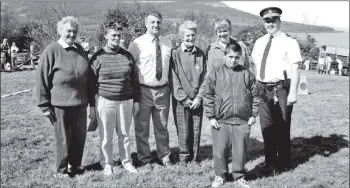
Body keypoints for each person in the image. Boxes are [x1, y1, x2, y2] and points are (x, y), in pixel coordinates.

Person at [36, 16, 95, 178]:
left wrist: (91, 103)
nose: (72, 34)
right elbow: (42, 79)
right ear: (61, 31)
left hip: (80, 103)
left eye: (74, 32)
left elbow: (87, 77)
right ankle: (61, 170)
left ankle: (75, 166)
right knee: (63, 139)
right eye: (68, 31)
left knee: (79, 137)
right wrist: (44, 105)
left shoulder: (80, 49)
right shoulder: (51, 50)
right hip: (60, 105)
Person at [251, 7, 302, 176]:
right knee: (266, 127)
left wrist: (293, 91)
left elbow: (296, 68)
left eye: (273, 20)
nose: (270, 23)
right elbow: (254, 66)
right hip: (263, 88)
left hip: (281, 89)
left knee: (282, 125)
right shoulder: (259, 42)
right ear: (263, 22)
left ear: (279, 21)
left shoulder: (289, 42)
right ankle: (270, 161)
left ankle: (284, 162)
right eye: (267, 20)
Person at [204, 42, 259, 188]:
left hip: (242, 120)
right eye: (230, 57)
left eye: (236, 57)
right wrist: (211, 116)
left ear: (240, 57)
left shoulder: (246, 74)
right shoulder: (216, 72)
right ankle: (220, 176)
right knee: (220, 150)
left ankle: (239, 176)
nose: (233, 60)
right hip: (221, 120)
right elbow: (208, 94)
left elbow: (256, 94)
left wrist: (253, 114)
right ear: (224, 56)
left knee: (240, 151)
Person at [89, 21, 140, 175]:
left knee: (124, 134)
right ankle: (107, 163)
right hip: (106, 100)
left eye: (119, 35)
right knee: (106, 136)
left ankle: (126, 161)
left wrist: (136, 101)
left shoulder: (127, 56)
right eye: (113, 35)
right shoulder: (97, 57)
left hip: (126, 100)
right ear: (106, 36)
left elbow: (135, 80)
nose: (116, 38)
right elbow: (91, 83)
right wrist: (92, 104)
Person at [128, 11, 173, 170]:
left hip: (163, 91)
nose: (156, 25)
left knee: (162, 126)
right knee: (142, 128)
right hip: (143, 90)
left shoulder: (168, 42)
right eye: (152, 22)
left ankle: (164, 156)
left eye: (158, 22)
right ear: (146, 24)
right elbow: (130, 70)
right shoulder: (136, 44)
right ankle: (144, 158)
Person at [170, 20, 206, 164]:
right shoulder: (175, 53)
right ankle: (184, 157)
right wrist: (183, 99)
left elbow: (206, 78)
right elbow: (173, 79)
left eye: (193, 35)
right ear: (181, 36)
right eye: (187, 36)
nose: (190, 38)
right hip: (181, 100)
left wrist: (199, 98)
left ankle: (195, 157)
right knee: (183, 130)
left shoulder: (201, 53)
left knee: (196, 129)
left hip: (197, 99)